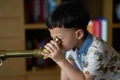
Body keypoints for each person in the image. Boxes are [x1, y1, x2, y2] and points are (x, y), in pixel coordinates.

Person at [41, 1, 120, 80]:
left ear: (78, 34)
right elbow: (67, 68)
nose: (55, 42)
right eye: (53, 38)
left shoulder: (97, 51)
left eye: (59, 38)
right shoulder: (73, 44)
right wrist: (62, 61)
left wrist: (60, 60)